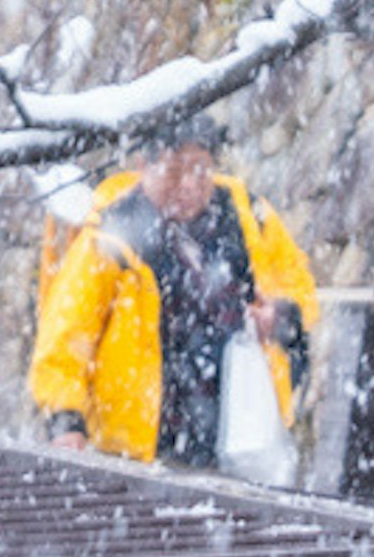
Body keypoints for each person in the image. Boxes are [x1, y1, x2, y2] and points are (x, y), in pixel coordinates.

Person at [30, 123, 320, 474]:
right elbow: (66, 338)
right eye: (173, 170)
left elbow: (299, 287)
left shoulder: (247, 216)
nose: (188, 185)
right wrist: (66, 423)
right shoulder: (111, 234)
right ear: (143, 165)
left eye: (200, 170)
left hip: (237, 440)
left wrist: (280, 316)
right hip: (138, 451)